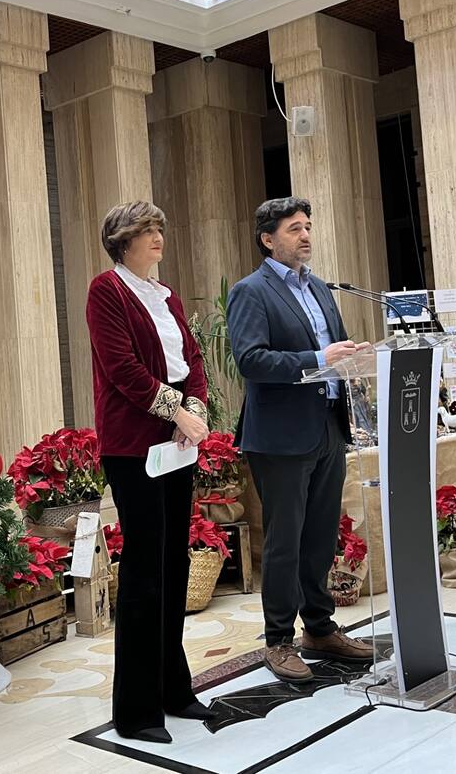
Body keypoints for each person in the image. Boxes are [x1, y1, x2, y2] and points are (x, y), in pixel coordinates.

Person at [226, 197, 373, 683]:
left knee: (320, 536)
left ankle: (320, 627)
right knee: (285, 541)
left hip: (328, 427)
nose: (306, 235)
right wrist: (319, 355)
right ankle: (278, 641)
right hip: (280, 437)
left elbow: (336, 350)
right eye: (294, 229)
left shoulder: (321, 290)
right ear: (269, 239)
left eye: (308, 226)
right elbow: (251, 360)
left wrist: (356, 358)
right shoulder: (252, 291)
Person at [85, 201, 214, 743]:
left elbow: (193, 361)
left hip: (176, 445)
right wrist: (177, 410)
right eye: (147, 230)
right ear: (123, 240)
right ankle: (136, 711)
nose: (158, 237)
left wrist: (198, 414)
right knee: (144, 569)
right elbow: (123, 371)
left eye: (160, 227)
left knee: (174, 563)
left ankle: (173, 688)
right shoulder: (105, 291)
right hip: (134, 446)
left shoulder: (168, 296)